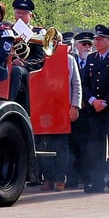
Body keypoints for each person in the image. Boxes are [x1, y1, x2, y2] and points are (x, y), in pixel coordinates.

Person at [82, 24, 109, 193]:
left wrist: (105, 102)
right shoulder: (92, 58)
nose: (96, 42)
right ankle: (97, 181)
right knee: (96, 146)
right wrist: (93, 100)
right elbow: (85, 82)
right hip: (95, 109)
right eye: (96, 39)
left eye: (100, 40)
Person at [41, 44, 83, 191]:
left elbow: (77, 84)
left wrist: (75, 106)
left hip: (63, 108)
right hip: (46, 108)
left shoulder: (70, 59)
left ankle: (60, 178)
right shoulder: (44, 58)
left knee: (61, 146)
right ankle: (48, 178)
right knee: (45, 145)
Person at [8, 0, 46, 110]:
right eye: (18, 13)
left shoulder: (38, 32)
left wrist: (23, 63)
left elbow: (39, 59)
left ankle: (9, 104)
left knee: (16, 70)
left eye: (24, 13)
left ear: (31, 16)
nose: (20, 16)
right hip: (8, 64)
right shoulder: (8, 30)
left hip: (28, 68)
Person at [67, 31, 93, 189]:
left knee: (89, 146)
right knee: (72, 145)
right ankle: (72, 178)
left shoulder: (95, 61)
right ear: (77, 45)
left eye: (90, 44)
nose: (87, 47)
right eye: (84, 44)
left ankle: (88, 177)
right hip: (74, 110)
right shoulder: (72, 60)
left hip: (91, 111)